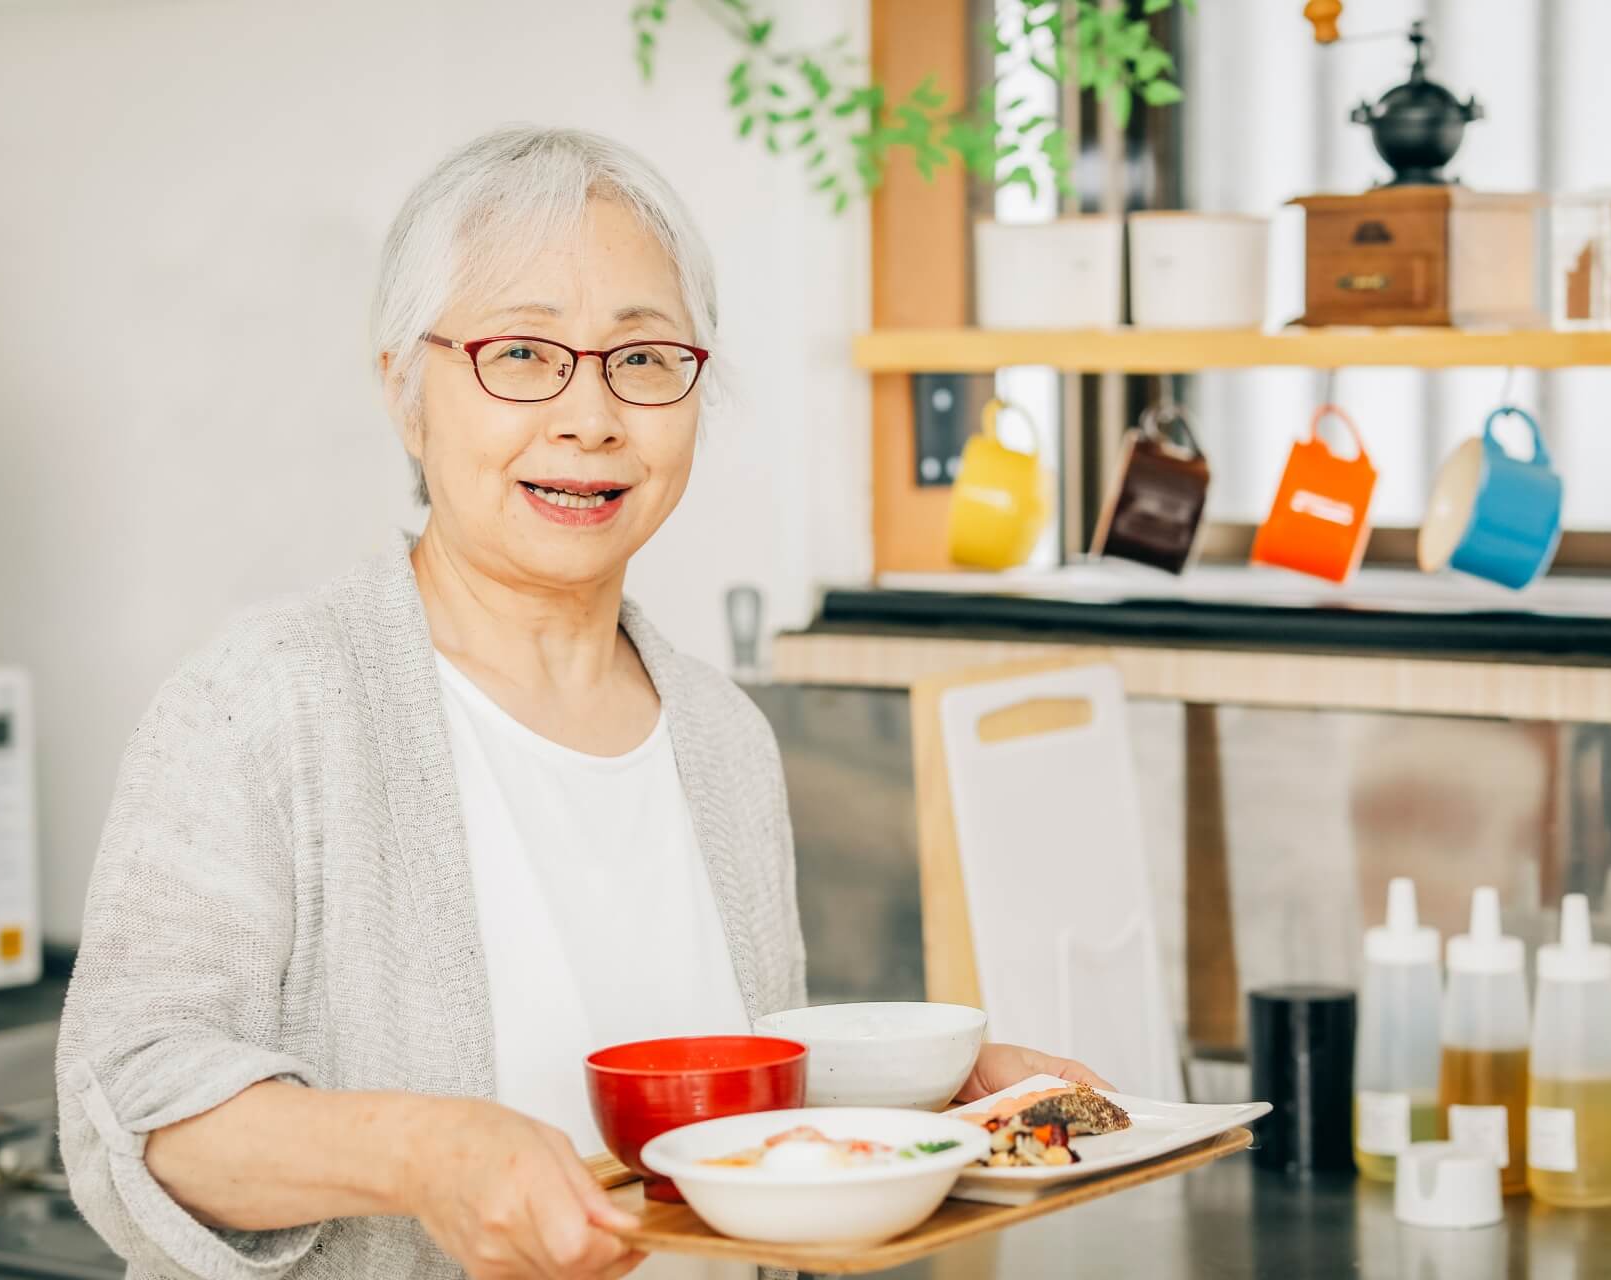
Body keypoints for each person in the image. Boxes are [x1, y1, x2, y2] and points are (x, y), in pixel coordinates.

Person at [56, 125, 1110, 1280]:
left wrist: (923, 1092)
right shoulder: (263, 702)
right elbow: (134, 1100)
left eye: (644, 358)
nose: (591, 415)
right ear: (406, 390)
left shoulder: (722, 738)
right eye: (522, 353)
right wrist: (426, 1151)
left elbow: (718, 1106)